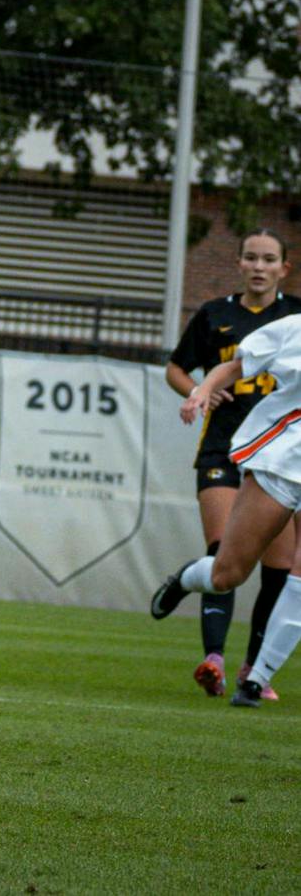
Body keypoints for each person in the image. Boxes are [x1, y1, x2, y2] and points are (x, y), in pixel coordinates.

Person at [163, 229, 301, 699]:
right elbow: (219, 368)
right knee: (227, 568)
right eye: (252, 258)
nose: (259, 267)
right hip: (265, 456)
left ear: (284, 266)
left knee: (289, 572)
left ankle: (254, 675)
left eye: (269, 259)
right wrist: (200, 391)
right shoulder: (289, 325)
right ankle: (194, 597)